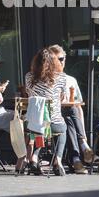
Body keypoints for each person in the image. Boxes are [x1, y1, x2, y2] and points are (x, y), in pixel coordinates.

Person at [49, 44, 93, 174]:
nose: (61, 62)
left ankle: (76, 159)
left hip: (68, 116)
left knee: (70, 116)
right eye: (58, 59)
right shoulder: (46, 80)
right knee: (69, 117)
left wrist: (83, 132)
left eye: (62, 59)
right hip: (51, 116)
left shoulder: (70, 80)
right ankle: (80, 152)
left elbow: (78, 106)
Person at [25, 47, 67, 176]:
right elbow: (62, 98)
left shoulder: (28, 77)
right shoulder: (61, 77)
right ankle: (57, 160)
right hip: (52, 123)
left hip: (32, 124)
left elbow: (29, 94)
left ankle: (34, 157)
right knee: (62, 128)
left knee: (40, 129)